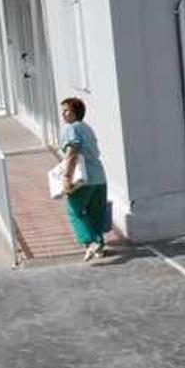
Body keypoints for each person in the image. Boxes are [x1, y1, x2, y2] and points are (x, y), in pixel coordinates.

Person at [59, 96, 109, 261]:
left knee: (75, 210)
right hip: (99, 177)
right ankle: (100, 246)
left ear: (76, 113)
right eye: (63, 110)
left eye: (67, 110)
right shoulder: (87, 128)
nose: (63, 114)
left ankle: (90, 242)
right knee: (96, 212)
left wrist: (67, 177)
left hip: (84, 178)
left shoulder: (71, 129)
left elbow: (72, 153)